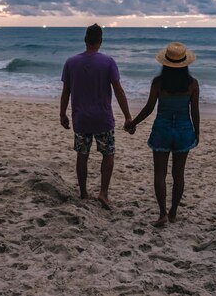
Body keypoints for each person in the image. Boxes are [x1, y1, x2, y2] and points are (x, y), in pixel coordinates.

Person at [126, 42, 200, 227]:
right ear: (185, 63)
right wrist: (196, 132)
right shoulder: (192, 84)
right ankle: (173, 212)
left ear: (165, 63)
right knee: (178, 175)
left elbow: (150, 108)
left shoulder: (158, 83)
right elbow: (195, 112)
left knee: (159, 174)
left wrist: (133, 123)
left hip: (162, 130)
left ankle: (162, 213)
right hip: (183, 130)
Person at [60, 24, 133, 210]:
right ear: (101, 41)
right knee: (108, 154)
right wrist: (127, 117)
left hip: (81, 119)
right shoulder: (108, 62)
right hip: (103, 119)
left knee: (82, 154)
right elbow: (119, 91)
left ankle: (83, 193)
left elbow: (66, 92)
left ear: (85, 40)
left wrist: (62, 113)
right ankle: (103, 193)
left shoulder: (71, 62)